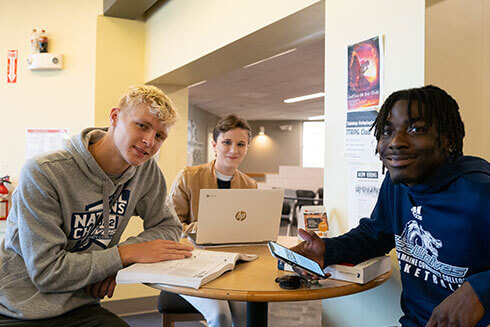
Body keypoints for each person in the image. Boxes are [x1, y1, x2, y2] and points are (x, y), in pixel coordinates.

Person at [292, 85, 489, 327]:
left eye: (416, 129)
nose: (395, 142)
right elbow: (375, 236)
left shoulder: (480, 192)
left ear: (447, 140)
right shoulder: (397, 184)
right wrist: (329, 250)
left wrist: (480, 290)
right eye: (387, 132)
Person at [0, 85, 194, 325]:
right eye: (142, 125)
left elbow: (168, 226)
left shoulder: (145, 171)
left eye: (159, 136)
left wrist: (116, 263)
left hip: (81, 305)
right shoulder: (44, 172)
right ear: (114, 117)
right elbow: (48, 272)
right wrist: (124, 254)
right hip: (20, 309)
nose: (148, 141)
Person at [168, 114, 257, 327]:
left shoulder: (250, 185)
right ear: (214, 145)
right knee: (221, 316)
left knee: (247, 315)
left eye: (241, 144)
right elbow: (169, 226)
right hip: (190, 265)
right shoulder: (188, 177)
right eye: (227, 142)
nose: (234, 150)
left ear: (247, 148)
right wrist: (199, 228)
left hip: (232, 267)